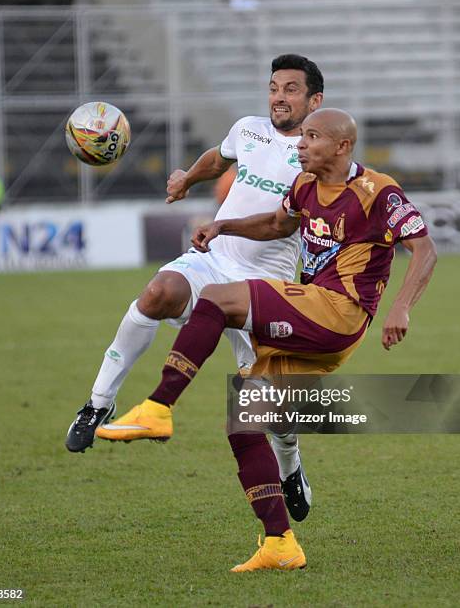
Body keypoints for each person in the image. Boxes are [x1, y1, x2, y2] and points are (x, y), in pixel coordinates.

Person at [95, 108, 437, 571]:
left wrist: (402, 306)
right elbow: (277, 225)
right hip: (317, 313)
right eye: (302, 136)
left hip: (340, 311)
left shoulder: (377, 191)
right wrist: (221, 226)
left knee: (218, 299)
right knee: (244, 423)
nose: (300, 143)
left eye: (312, 136)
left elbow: (424, 248)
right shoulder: (303, 186)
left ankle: (158, 407)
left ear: (341, 146)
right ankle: (280, 544)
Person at [66, 54, 324, 521]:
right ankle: (98, 404)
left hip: (266, 284)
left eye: (290, 89)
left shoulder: (315, 155)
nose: (278, 97)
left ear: (314, 100)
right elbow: (219, 157)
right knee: (158, 293)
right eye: (273, 87)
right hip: (215, 260)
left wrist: (223, 225)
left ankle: (291, 466)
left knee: (266, 407)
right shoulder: (248, 128)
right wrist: (188, 176)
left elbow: (279, 225)